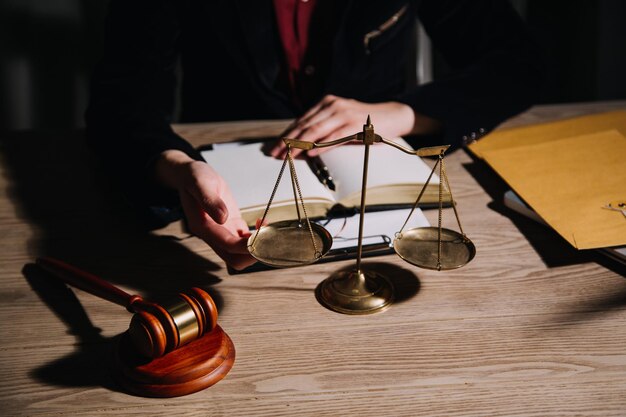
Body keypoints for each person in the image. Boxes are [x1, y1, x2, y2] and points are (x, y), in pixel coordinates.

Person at [85, 0, 544, 270]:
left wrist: (405, 113)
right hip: (227, 167)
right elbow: (121, 99)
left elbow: (520, 64)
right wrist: (175, 166)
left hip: (377, 176)